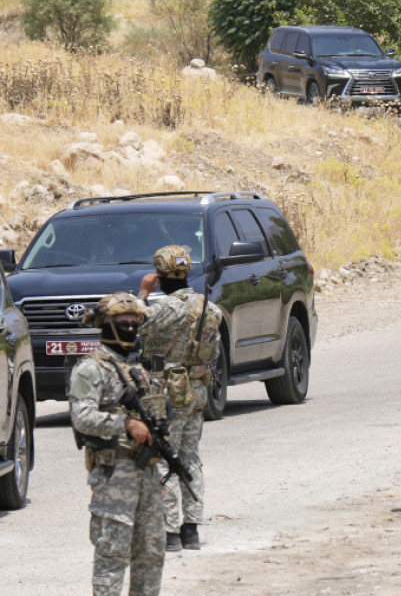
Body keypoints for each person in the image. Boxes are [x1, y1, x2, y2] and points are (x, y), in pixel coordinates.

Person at [68, 292, 165, 596]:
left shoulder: (140, 369)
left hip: (148, 473)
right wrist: (125, 424)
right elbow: (82, 418)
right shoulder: (90, 369)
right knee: (112, 556)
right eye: (123, 322)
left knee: (151, 554)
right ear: (105, 324)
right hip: (114, 475)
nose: (130, 327)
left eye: (134, 322)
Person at [137, 245, 223, 553]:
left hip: (167, 393)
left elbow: (133, 324)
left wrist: (143, 293)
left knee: (164, 460)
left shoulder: (164, 309)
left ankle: (169, 531)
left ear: (160, 276)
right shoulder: (210, 309)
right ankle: (191, 529)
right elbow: (214, 351)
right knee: (190, 459)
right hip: (197, 391)